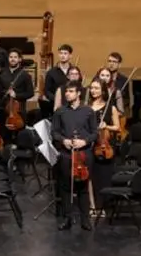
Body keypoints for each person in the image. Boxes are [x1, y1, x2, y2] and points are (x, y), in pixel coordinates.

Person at [51, 81, 97, 231]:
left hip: (84, 154)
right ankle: (67, 218)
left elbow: (95, 133)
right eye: (66, 91)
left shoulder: (88, 111)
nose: (67, 94)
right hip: (66, 154)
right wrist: (63, 140)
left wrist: (84, 141)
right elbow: (54, 132)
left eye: (70, 91)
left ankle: (85, 220)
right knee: (65, 187)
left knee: (83, 186)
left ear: (78, 94)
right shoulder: (60, 111)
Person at [86, 80, 120, 217]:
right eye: (92, 88)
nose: (93, 91)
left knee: (103, 176)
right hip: (89, 144)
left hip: (104, 145)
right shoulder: (86, 107)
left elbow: (117, 127)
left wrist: (106, 125)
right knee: (90, 176)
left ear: (103, 90)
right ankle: (92, 205)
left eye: (96, 88)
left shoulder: (111, 108)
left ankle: (102, 206)